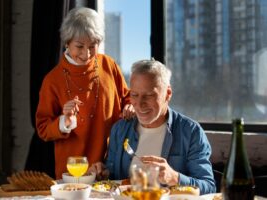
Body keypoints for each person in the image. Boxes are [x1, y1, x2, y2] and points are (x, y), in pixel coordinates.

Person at [88, 59, 216, 195]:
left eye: (149, 95)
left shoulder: (191, 132)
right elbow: (112, 177)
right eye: (134, 95)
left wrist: (175, 177)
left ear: (168, 94)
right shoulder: (119, 130)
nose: (139, 103)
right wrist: (103, 173)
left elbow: (208, 187)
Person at [35, 7, 134, 179]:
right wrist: (63, 122)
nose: (86, 53)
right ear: (67, 42)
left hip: (111, 167)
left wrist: (130, 107)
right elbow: (43, 128)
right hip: (73, 171)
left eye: (92, 46)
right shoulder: (52, 80)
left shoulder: (109, 65)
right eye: (79, 46)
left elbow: (128, 97)